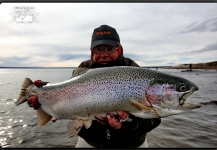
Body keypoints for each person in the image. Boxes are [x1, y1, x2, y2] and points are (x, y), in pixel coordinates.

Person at [28, 25, 161, 148]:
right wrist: (45, 92)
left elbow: (154, 119)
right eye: (98, 50)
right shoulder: (83, 69)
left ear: (118, 49)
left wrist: (129, 122)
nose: (104, 55)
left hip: (131, 143)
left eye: (109, 49)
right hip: (90, 142)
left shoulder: (136, 73)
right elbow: (67, 93)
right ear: (92, 51)